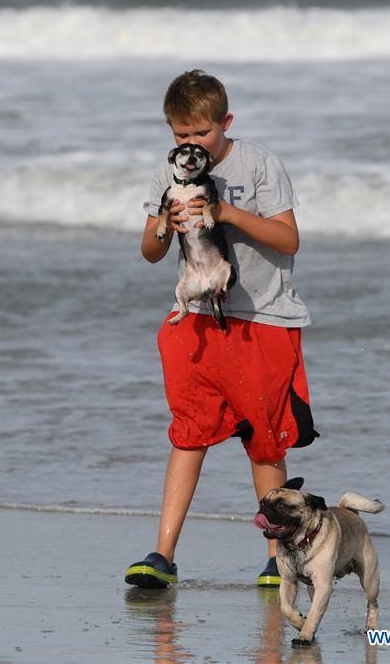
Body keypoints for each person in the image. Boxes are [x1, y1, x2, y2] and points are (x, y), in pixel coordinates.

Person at [125, 70, 317, 589]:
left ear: (225, 123)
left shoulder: (257, 163)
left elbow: (288, 239)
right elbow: (150, 252)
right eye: (180, 136)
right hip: (197, 323)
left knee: (265, 441)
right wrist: (165, 220)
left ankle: (279, 558)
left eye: (201, 135)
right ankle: (162, 555)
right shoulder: (168, 175)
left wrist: (225, 211)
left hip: (263, 321)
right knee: (189, 434)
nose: (191, 145)